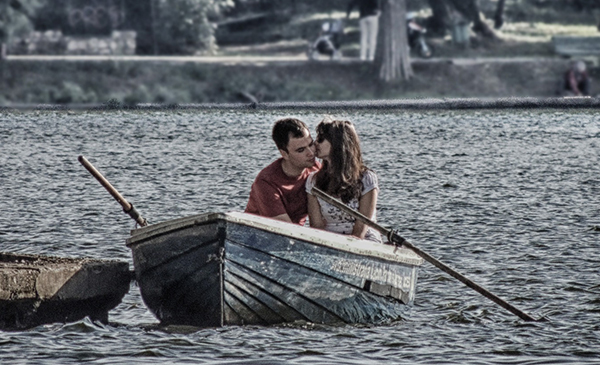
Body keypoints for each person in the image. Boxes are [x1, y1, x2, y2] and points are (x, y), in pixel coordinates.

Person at [305, 118, 382, 243]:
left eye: (320, 139)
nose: (315, 144)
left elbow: (360, 228)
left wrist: (349, 243)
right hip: (330, 241)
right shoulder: (313, 180)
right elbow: (316, 227)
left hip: (364, 240)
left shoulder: (366, 178)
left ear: (337, 143)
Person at [245, 118, 320, 225]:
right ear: (284, 154)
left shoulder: (316, 169)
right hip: (256, 235)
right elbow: (284, 228)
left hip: (296, 234)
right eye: (301, 150)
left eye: (311, 144)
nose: (311, 153)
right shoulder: (266, 182)